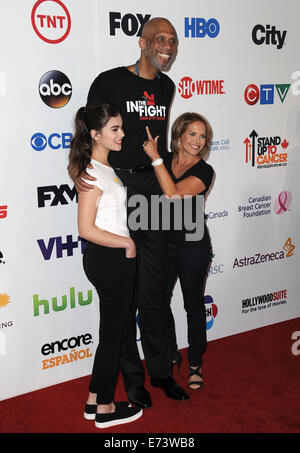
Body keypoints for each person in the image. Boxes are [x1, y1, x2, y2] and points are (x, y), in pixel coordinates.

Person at [68, 17, 189, 406]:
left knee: (154, 287)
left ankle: (160, 373)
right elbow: (89, 128)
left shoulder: (167, 86)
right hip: (119, 187)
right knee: (126, 290)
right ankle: (132, 384)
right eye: (158, 39)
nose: (166, 45)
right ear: (141, 43)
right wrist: (80, 173)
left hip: (152, 186)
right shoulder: (110, 80)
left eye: (171, 40)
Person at [69, 103, 143, 428]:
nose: (122, 134)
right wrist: (126, 243)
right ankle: (106, 409)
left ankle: (92, 401)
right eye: (114, 129)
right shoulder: (92, 173)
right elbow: (85, 229)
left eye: (121, 127)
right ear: (96, 134)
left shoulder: (103, 167)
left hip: (110, 260)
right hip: (110, 260)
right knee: (112, 337)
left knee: (113, 332)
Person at [142, 112, 214, 390]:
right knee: (159, 301)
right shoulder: (167, 160)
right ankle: (170, 352)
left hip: (193, 247)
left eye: (202, 135)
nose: (197, 141)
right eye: (192, 134)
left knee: (193, 305)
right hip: (162, 243)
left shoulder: (204, 171)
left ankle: (195, 362)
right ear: (180, 135)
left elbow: (172, 194)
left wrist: (155, 158)